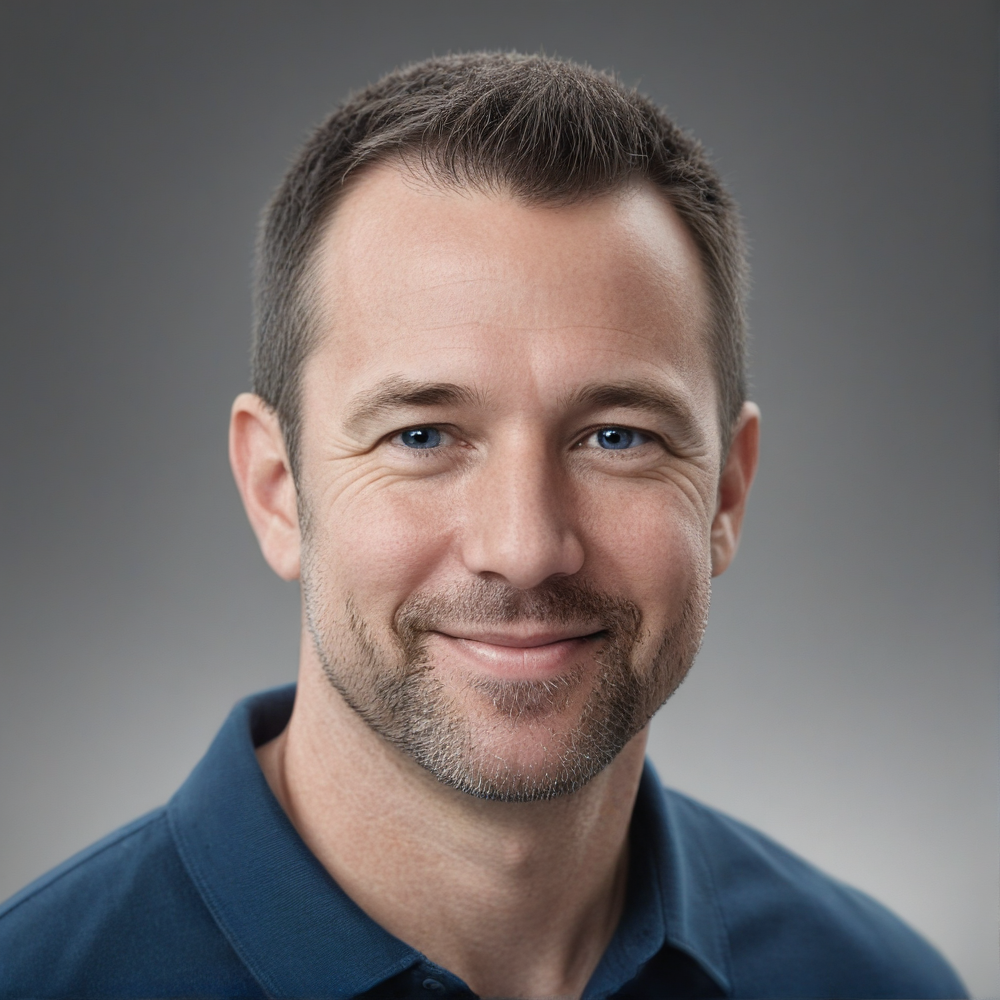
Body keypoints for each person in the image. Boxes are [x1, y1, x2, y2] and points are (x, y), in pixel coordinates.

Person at [0, 52, 965, 1000]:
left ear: (725, 495)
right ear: (276, 487)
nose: (524, 546)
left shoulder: (876, 983)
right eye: (423, 434)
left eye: (616, 436)